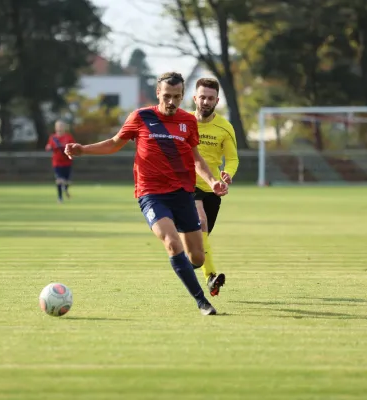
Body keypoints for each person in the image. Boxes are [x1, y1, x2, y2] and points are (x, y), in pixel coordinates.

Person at [65, 72, 228, 315]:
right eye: (167, 96)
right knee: (172, 244)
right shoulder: (141, 117)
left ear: (183, 96)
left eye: (177, 97)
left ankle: (183, 267)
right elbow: (114, 142)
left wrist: (213, 181)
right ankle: (202, 302)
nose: (172, 102)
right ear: (157, 94)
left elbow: (196, 159)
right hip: (151, 194)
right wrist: (83, 149)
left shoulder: (188, 121)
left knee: (197, 258)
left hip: (183, 193)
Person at [191, 78, 239, 297]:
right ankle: (211, 276)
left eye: (210, 98)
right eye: (202, 97)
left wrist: (228, 173)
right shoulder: (185, 122)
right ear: (194, 98)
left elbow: (232, 159)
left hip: (213, 188)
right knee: (201, 223)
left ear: (217, 101)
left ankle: (197, 267)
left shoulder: (225, 127)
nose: (205, 101)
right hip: (186, 186)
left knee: (202, 238)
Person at [46, 120, 76, 203]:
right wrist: (49, 147)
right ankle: (60, 198)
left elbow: (74, 147)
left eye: (61, 126)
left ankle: (65, 189)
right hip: (57, 162)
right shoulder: (53, 138)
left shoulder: (68, 137)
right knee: (59, 180)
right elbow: (48, 146)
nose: (59, 128)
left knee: (67, 181)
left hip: (67, 162)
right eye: (58, 126)